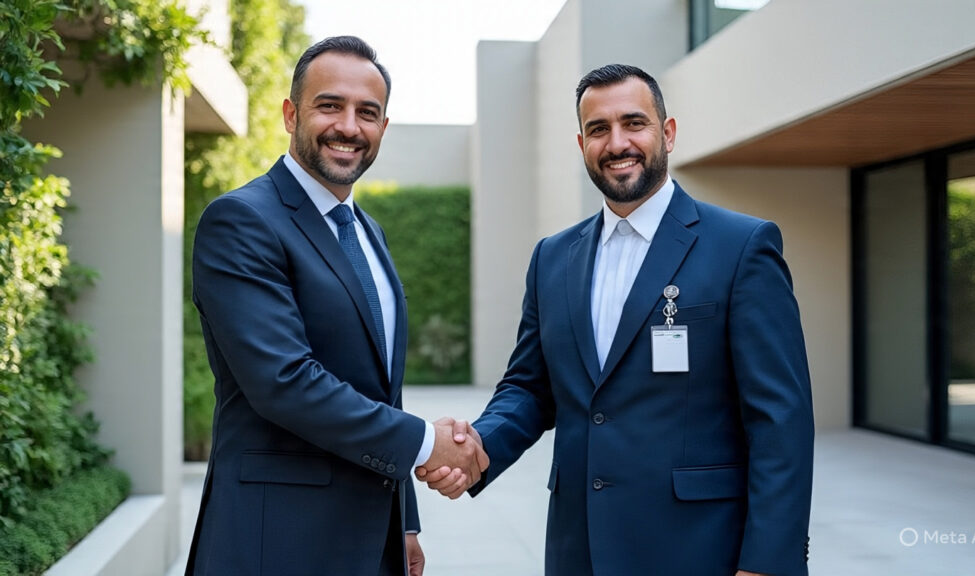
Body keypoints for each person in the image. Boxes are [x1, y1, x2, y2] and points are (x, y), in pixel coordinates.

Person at [420, 64, 814, 576]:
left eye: (634, 123)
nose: (617, 143)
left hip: (701, 550)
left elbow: (781, 419)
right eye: (599, 129)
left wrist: (767, 562)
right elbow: (529, 386)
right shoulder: (553, 257)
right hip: (578, 547)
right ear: (581, 142)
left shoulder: (742, 247)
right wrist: (477, 448)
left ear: (667, 134)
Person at [185, 36, 487, 576]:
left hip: (372, 541)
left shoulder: (369, 233)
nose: (349, 126)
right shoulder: (241, 221)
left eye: (367, 113)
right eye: (330, 106)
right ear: (290, 113)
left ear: (383, 129)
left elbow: (382, 390)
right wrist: (426, 443)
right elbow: (284, 381)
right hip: (276, 540)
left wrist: (405, 522)